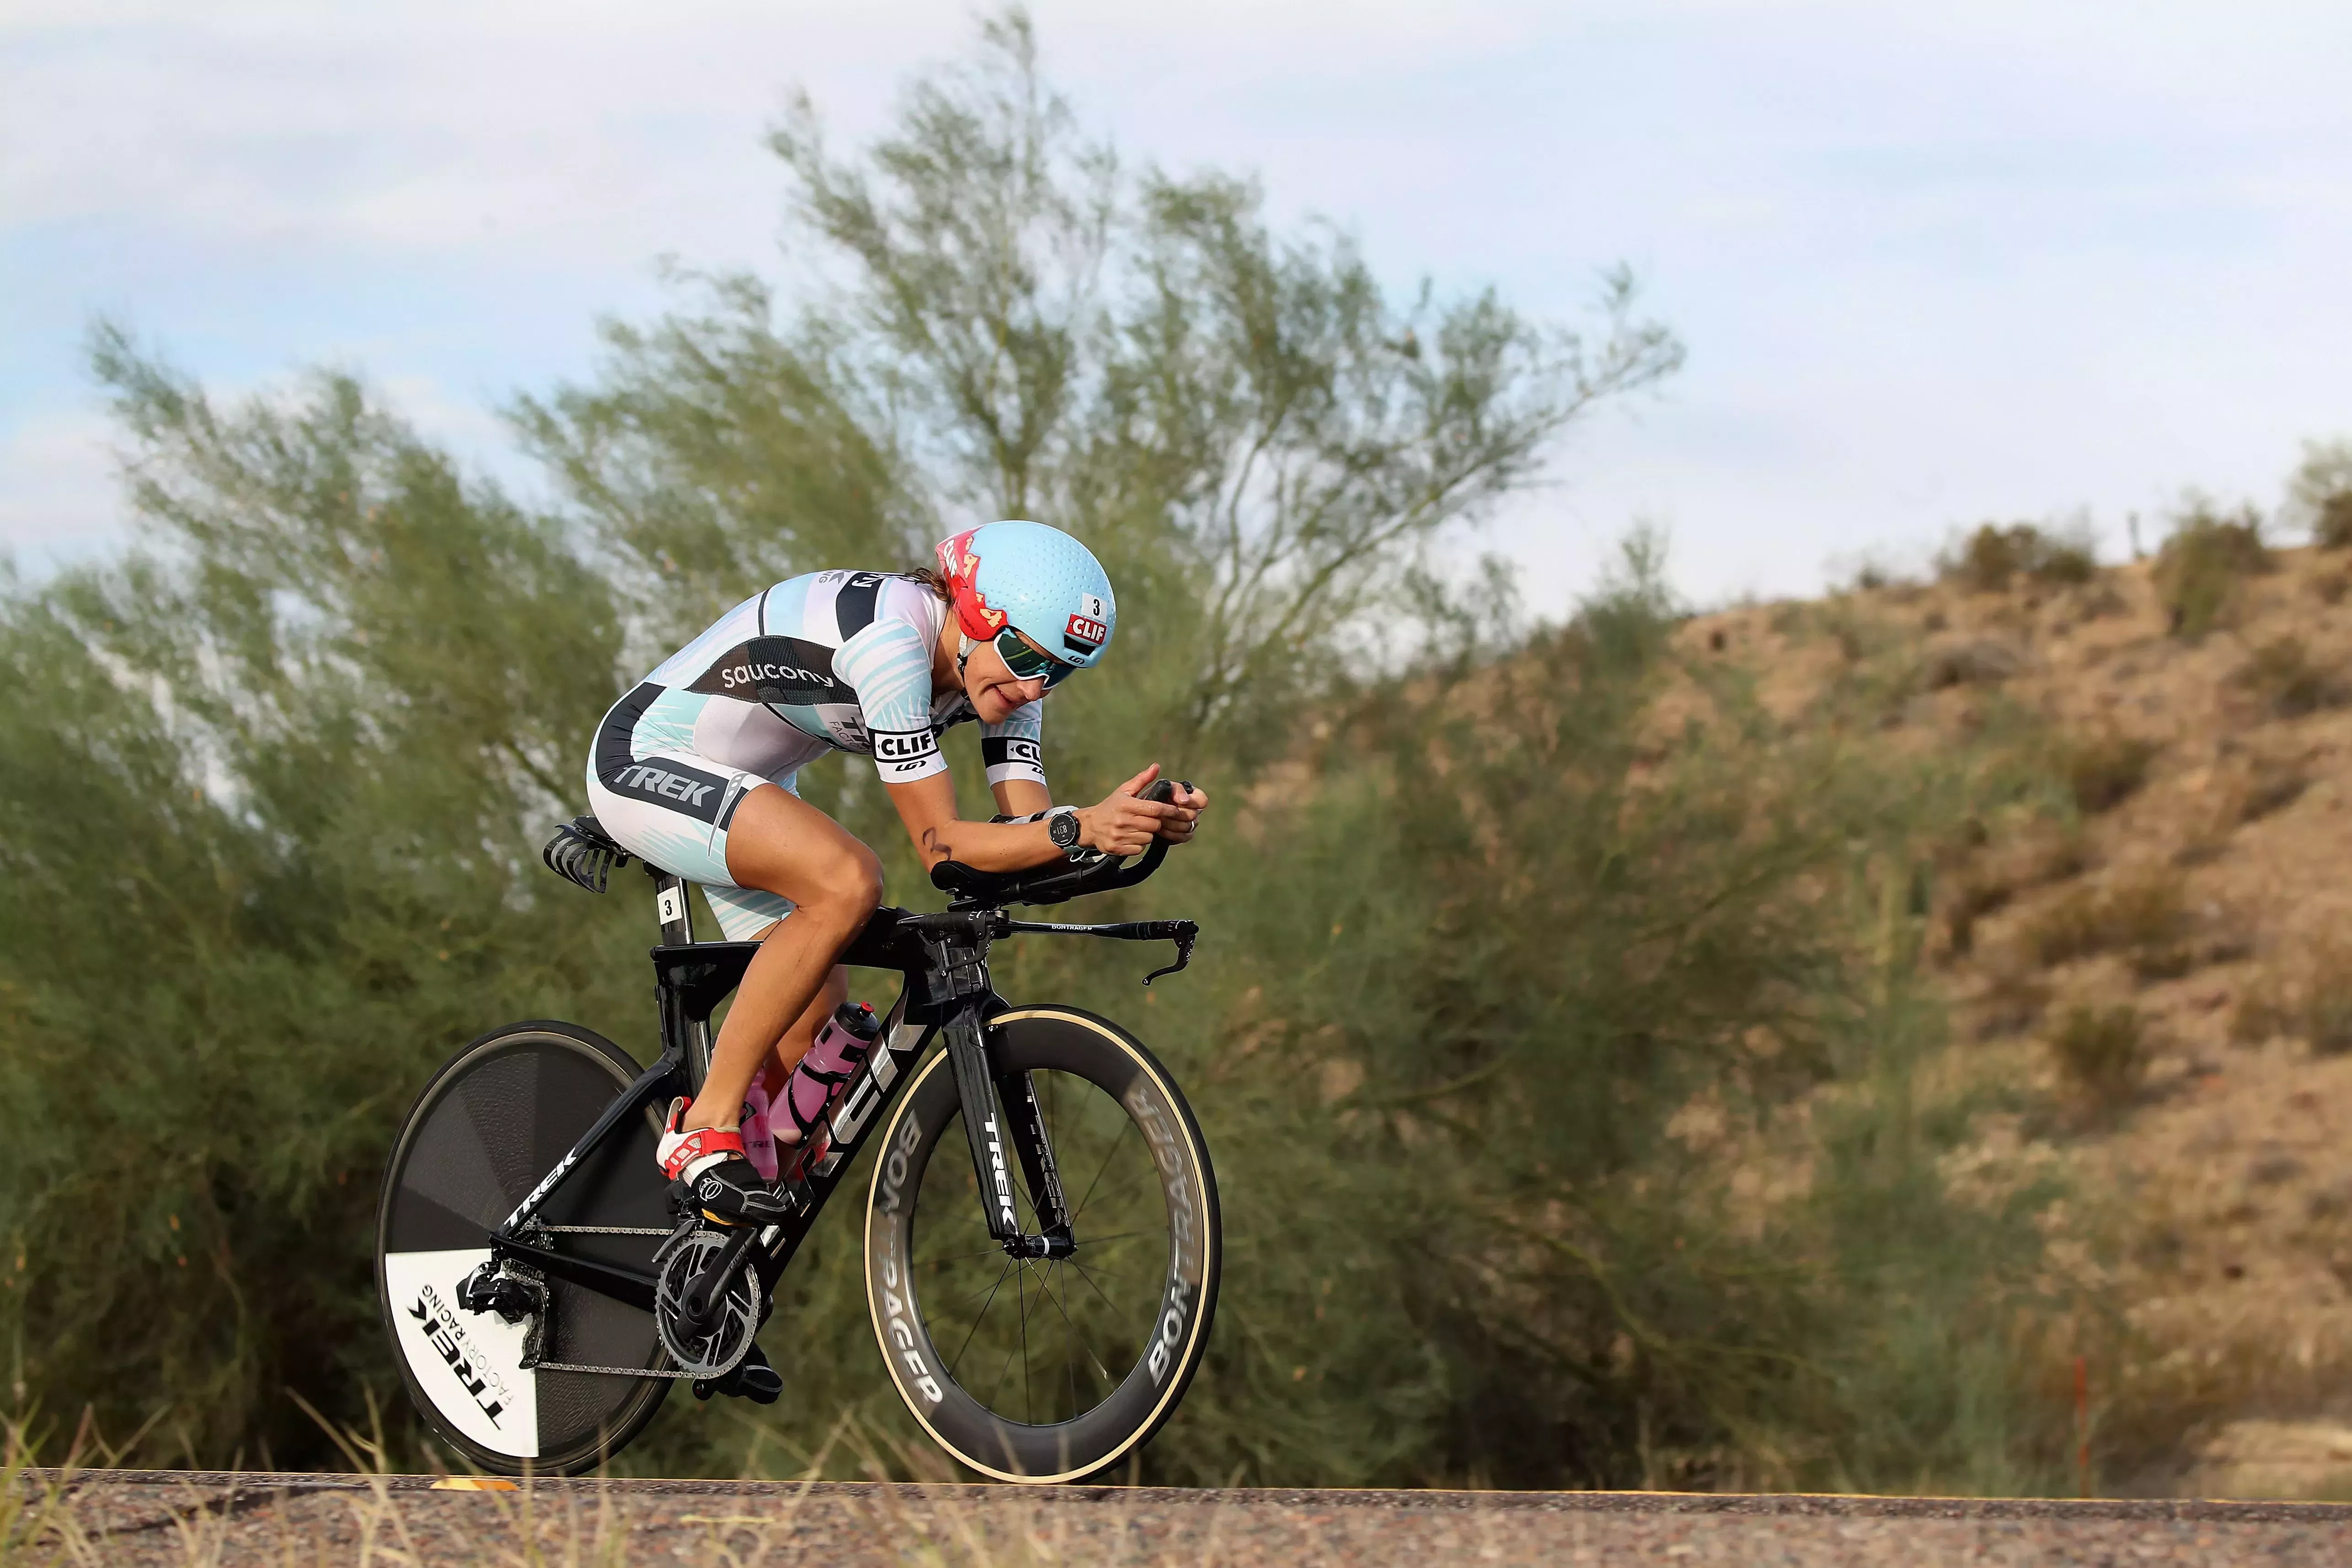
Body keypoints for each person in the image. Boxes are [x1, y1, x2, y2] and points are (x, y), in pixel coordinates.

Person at [583, 520, 1208, 1227]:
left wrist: (1126, 827)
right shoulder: (892, 647)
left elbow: (1025, 835)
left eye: (1059, 672)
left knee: (812, 1024)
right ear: (974, 614)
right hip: (644, 757)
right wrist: (1080, 827)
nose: (1036, 686)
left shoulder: (1002, 680)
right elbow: (944, 849)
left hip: (750, 784)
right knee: (848, 881)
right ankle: (704, 1127)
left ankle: (709, 1250)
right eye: (1025, 656)